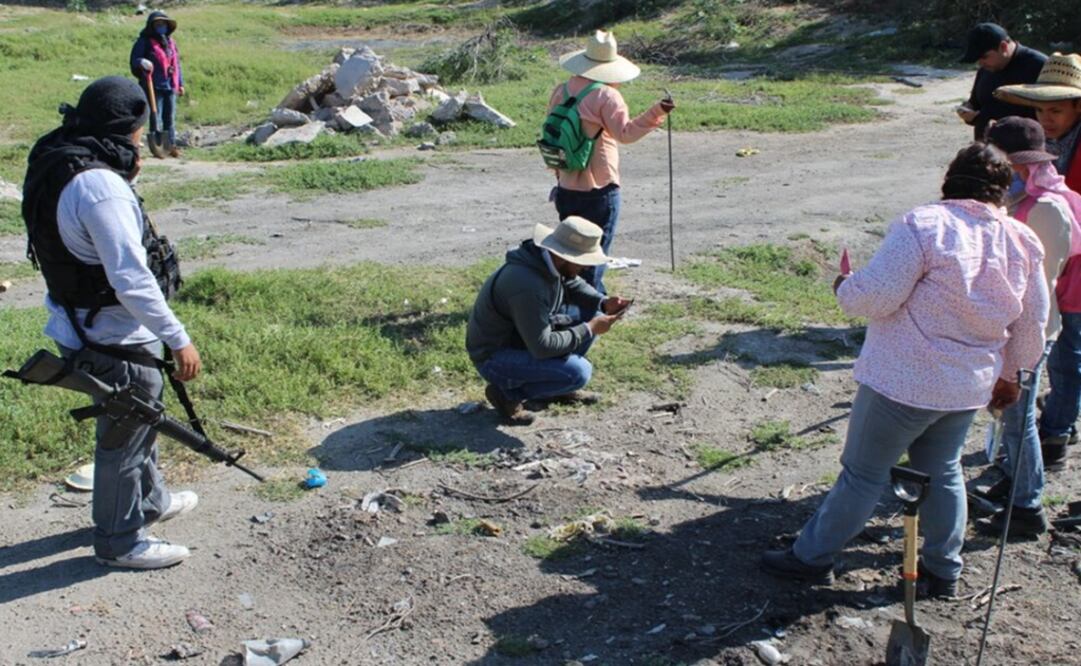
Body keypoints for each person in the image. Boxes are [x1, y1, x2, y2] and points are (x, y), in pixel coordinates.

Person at [761, 143, 1049, 597]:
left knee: (863, 474)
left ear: (949, 181)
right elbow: (1032, 323)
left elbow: (876, 297)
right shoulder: (1022, 240)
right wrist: (1012, 376)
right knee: (943, 471)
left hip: (903, 379)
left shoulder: (924, 225)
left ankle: (811, 558)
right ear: (1003, 191)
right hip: (967, 385)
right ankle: (943, 569)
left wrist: (845, 287)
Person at [21, 76, 202, 569]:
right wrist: (178, 338)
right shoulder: (101, 188)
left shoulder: (61, 157)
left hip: (79, 324)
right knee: (124, 438)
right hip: (111, 336)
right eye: (141, 128)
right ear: (129, 127)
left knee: (141, 422)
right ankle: (121, 542)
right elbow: (130, 279)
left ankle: (151, 502)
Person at [977, 117, 1081, 536]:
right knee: (1010, 415)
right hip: (1006, 323)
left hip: (1029, 329)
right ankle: (1016, 479)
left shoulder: (1047, 209)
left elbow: (1039, 280)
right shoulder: (1014, 200)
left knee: (1018, 418)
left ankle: (1027, 506)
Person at [547, 30, 674, 319]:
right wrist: (658, 111)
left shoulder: (562, 90)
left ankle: (570, 303)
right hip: (599, 187)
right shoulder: (606, 95)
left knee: (568, 252)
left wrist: (558, 178)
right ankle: (587, 316)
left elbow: (554, 138)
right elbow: (625, 134)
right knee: (593, 255)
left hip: (566, 186)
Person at [996, 53, 1081, 470]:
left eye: (1056, 111)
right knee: (1053, 346)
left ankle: (1057, 433)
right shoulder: (1042, 144)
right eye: (1041, 110)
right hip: (1050, 258)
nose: (1047, 119)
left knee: (1068, 353)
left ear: (1077, 107)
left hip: (1076, 267)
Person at [466, 216, 632, 425]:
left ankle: (555, 390)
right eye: (582, 262)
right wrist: (589, 329)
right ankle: (507, 395)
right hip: (493, 357)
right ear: (563, 257)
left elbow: (571, 282)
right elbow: (542, 347)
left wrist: (603, 302)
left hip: (518, 341)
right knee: (578, 372)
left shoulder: (545, 261)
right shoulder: (527, 286)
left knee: (595, 314)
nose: (585, 268)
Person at [957, 22, 1046, 140]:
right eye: (977, 59)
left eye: (984, 57)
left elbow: (1051, 113)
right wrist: (968, 111)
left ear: (1003, 46)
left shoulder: (1040, 66)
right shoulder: (986, 69)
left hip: (1025, 146)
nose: (981, 63)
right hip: (988, 147)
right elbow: (976, 103)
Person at [129, 10, 185, 158]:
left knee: (170, 117)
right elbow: (135, 60)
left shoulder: (170, 43)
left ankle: (171, 145)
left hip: (170, 84)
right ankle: (158, 147)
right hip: (153, 85)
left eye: (164, 24)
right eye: (158, 24)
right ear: (152, 27)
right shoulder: (144, 42)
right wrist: (142, 62)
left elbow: (177, 64)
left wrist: (180, 83)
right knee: (156, 117)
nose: (162, 27)